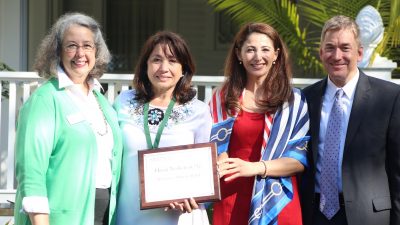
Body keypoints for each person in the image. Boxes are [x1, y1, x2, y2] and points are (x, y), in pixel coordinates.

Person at [13, 12, 123, 225]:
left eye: (87, 46)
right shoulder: (45, 100)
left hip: (103, 214)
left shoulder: (102, 101)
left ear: (97, 51)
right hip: (59, 217)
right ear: (57, 52)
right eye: (71, 45)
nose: (80, 53)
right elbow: (31, 170)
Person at [300, 15, 400, 225]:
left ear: (359, 53)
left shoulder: (389, 97)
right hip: (314, 214)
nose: (337, 56)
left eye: (345, 48)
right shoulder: (305, 99)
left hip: (370, 217)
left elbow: (397, 170)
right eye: (330, 48)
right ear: (321, 53)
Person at [209, 22, 310, 225]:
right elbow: (210, 148)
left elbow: (298, 161)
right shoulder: (221, 98)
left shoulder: (293, 102)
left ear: (276, 55)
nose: (257, 57)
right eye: (250, 50)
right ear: (239, 54)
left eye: (265, 49)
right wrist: (218, 159)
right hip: (232, 198)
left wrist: (255, 168)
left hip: (278, 202)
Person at [113, 31, 212, 225]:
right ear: (145, 66)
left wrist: (195, 197)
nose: (164, 68)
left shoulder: (199, 111)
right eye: (156, 59)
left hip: (179, 217)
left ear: (184, 68)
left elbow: (207, 174)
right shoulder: (123, 102)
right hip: (129, 214)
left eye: (173, 60)